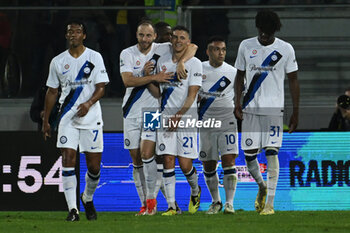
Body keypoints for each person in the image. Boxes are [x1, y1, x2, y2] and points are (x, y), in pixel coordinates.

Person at [120, 21, 197, 216]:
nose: (145, 39)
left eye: (148, 35)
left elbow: (193, 46)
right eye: (141, 35)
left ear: (155, 36)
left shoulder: (163, 49)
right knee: (136, 159)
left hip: (153, 111)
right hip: (131, 111)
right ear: (136, 35)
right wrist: (151, 77)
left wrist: (181, 63)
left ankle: (153, 203)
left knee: (149, 155)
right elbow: (128, 80)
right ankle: (145, 203)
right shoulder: (127, 53)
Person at [234, 10, 300, 215]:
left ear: (275, 31)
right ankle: (262, 186)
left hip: (274, 109)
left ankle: (270, 204)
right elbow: (239, 76)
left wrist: (296, 112)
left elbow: (293, 80)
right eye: (262, 32)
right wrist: (237, 102)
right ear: (258, 28)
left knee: (272, 152)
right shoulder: (246, 45)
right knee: (249, 156)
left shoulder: (285, 49)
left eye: (268, 33)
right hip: (250, 109)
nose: (264, 36)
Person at [42, 20, 109, 221]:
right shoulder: (57, 61)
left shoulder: (94, 57)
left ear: (84, 36)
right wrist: (46, 120)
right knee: (68, 159)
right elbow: (52, 92)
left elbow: (101, 87)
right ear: (66, 36)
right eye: (70, 32)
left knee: (94, 167)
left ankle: (87, 198)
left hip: (91, 117)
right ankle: (73, 209)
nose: (73, 34)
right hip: (67, 117)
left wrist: (88, 104)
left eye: (77, 31)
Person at [147, 25, 202, 216]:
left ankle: (195, 190)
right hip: (164, 117)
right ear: (171, 39)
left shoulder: (194, 63)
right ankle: (171, 206)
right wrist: (148, 79)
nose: (178, 41)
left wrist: (178, 116)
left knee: (185, 164)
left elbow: (192, 95)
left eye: (182, 38)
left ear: (188, 41)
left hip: (186, 118)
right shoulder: (162, 58)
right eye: (175, 37)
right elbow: (158, 92)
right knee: (167, 159)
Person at [198, 36, 238, 214]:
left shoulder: (233, 71)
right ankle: (216, 202)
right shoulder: (198, 68)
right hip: (205, 121)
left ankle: (229, 203)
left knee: (229, 160)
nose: (220, 53)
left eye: (223, 49)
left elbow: (240, 93)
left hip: (227, 121)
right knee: (208, 164)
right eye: (216, 49)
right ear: (208, 52)